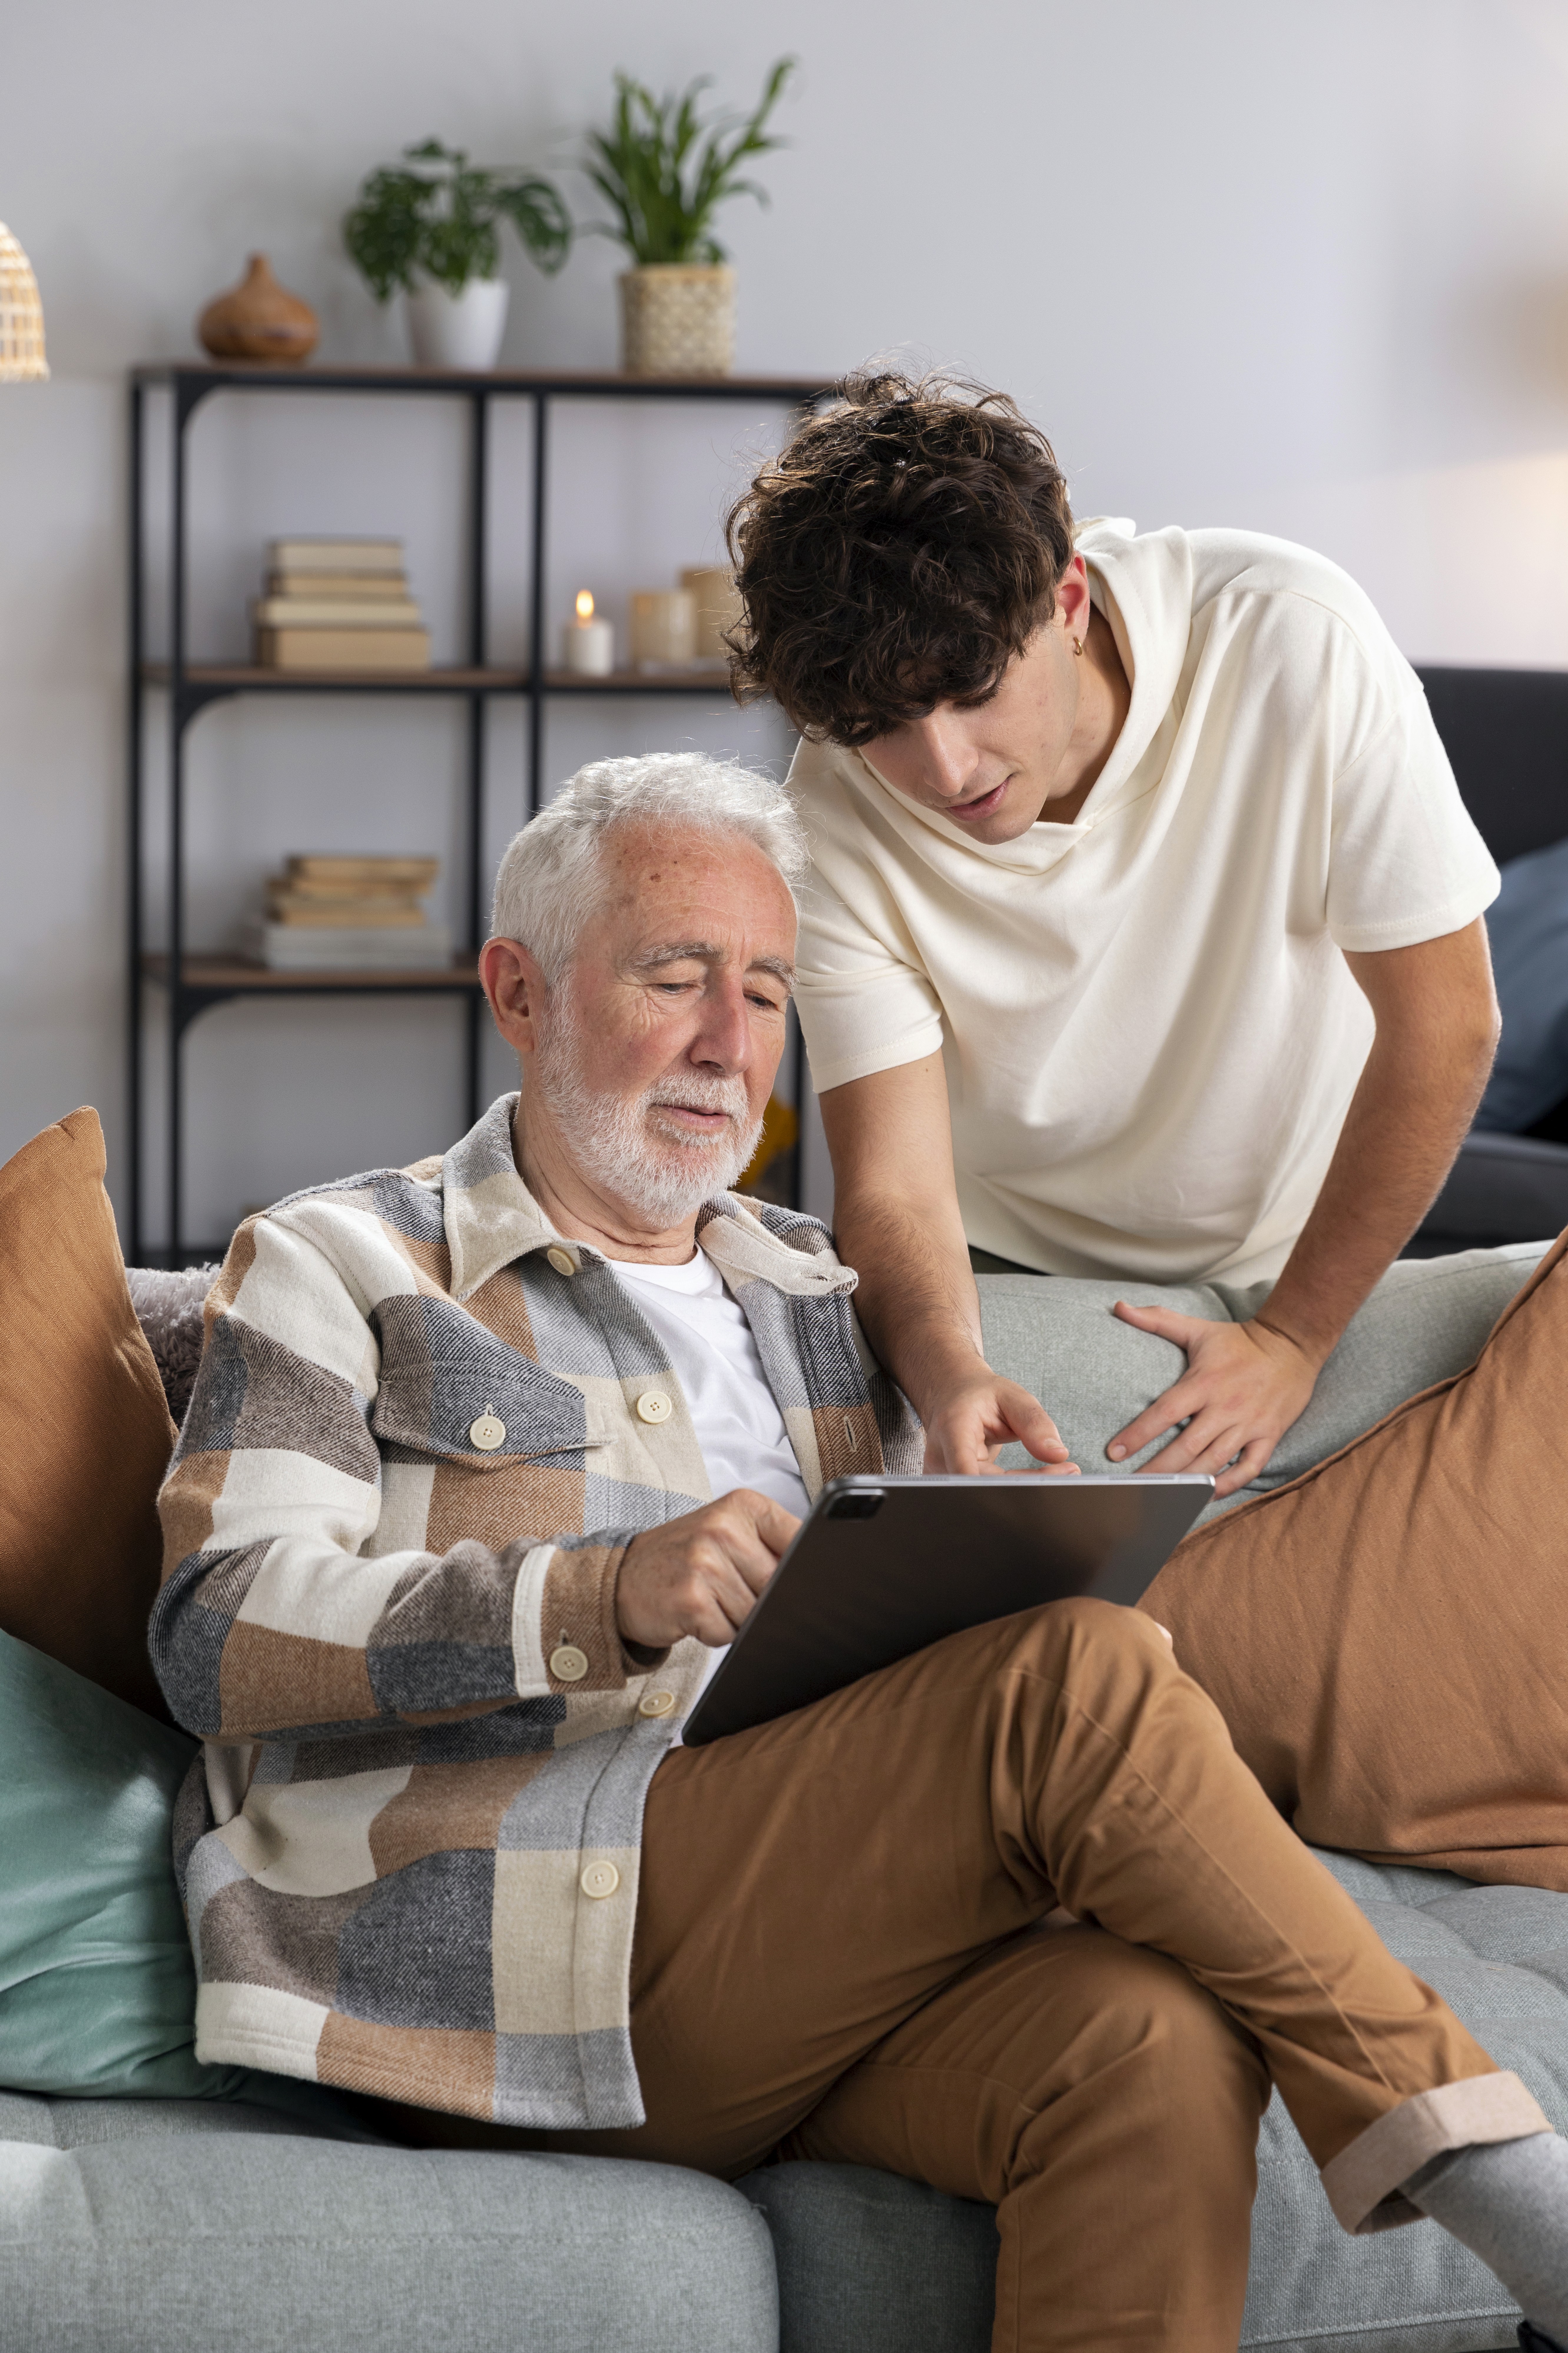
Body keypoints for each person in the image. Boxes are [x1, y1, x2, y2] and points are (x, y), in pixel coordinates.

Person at [150, 756, 1567, 2353]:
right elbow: (220, 1632)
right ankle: (1504, 2175)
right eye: (673, 975)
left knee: (1151, 2036)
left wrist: (985, 1501)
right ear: (522, 991)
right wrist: (594, 1592)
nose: (726, 1043)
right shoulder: (338, 1260)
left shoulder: (817, 1296)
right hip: (506, 1958)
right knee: (1073, 1676)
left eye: (762, 991)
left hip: (794, 1951)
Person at [725, 372, 1504, 1500]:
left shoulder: (1293, 638)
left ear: (1070, 600)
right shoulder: (831, 809)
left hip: (1309, 1261)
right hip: (1014, 1278)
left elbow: (1449, 1027)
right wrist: (950, 1376)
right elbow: (895, 1189)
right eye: (881, 727)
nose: (945, 773)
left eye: (972, 689)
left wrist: (1292, 1343)